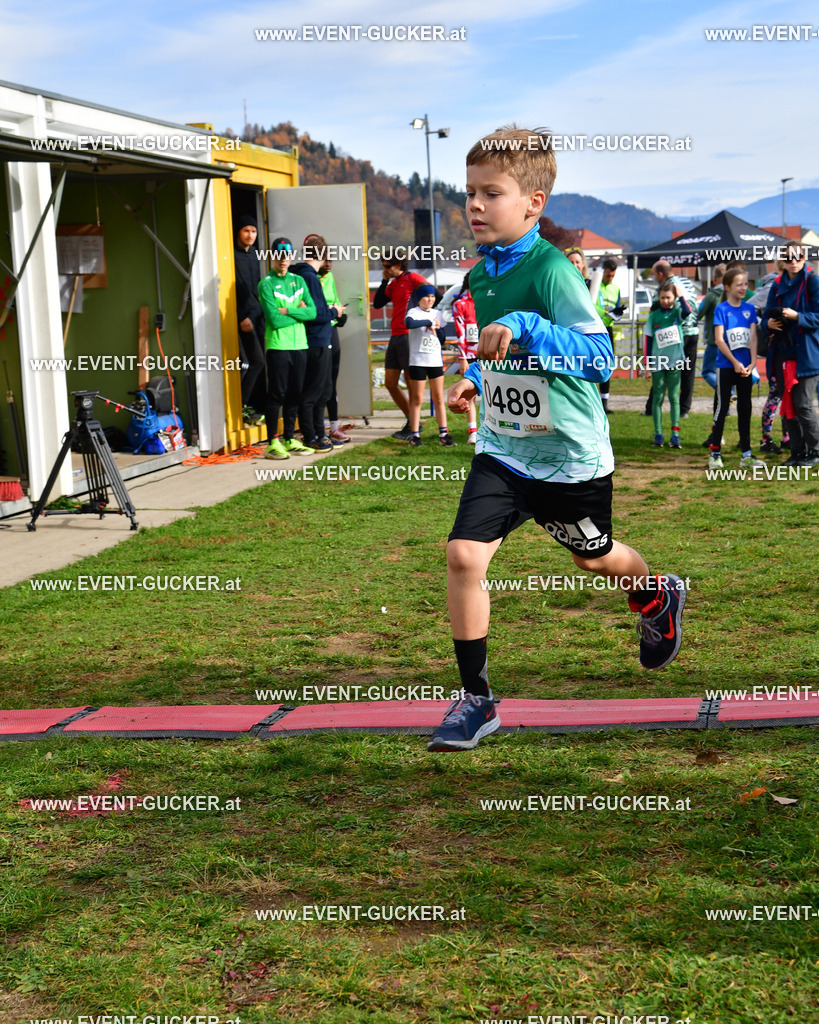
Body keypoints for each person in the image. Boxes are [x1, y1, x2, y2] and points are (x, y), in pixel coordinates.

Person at [428, 124, 686, 753]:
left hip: (568, 459)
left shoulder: (551, 272)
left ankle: (657, 596)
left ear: (532, 204)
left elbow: (600, 356)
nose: (476, 206)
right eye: (470, 193)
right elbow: (504, 354)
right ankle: (477, 702)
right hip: (506, 449)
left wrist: (526, 324)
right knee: (463, 554)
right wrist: (474, 381)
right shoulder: (482, 274)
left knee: (593, 559)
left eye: (492, 193)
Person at [257, 237, 316, 460]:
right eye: (279, 255)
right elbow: (274, 319)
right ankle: (273, 441)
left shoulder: (299, 281)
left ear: (292, 257)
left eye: (287, 255)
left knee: (295, 393)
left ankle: (290, 439)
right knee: (277, 394)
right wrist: (296, 312)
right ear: (272, 256)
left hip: (300, 344)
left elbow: (312, 313)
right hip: (278, 346)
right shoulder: (266, 283)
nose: (283, 260)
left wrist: (286, 310)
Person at [761, 246, 819, 467]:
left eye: (799, 257)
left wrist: (798, 317)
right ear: (782, 261)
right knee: (788, 406)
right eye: (788, 258)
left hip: (807, 354)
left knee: (803, 404)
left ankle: (815, 452)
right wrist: (766, 323)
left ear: (804, 258)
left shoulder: (813, 281)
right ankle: (797, 452)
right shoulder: (777, 285)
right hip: (783, 354)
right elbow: (765, 316)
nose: (794, 261)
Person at [291, 235, 347, 453]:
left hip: (315, 338)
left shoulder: (302, 275)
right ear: (322, 256)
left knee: (321, 390)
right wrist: (336, 311)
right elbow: (317, 313)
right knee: (314, 392)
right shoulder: (310, 278)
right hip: (317, 338)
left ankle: (319, 433)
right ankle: (312, 435)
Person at [708, 267, 764, 471]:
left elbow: (753, 337)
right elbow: (719, 339)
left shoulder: (749, 308)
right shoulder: (721, 309)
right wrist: (734, 362)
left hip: (746, 368)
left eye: (745, 284)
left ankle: (746, 454)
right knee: (722, 408)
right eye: (739, 284)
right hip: (726, 366)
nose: (743, 288)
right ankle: (715, 453)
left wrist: (752, 362)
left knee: (745, 409)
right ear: (727, 287)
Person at [372, 257, 428, 439]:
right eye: (383, 267)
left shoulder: (413, 278)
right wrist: (384, 280)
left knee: (411, 382)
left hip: (408, 334)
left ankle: (413, 427)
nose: (385, 269)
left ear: (399, 265)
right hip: (395, 335)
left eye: (388, 266)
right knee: (390, 382)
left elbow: (433, 293)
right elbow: (379, 303)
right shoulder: (393, 283)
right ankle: (413, 420)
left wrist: (422, 316)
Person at [645, 261, 699, 418]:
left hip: (675, 332)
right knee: (688, 372)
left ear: (660, 274)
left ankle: (652, 407)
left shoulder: (665, 287)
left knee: (663, 367)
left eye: (655, 275)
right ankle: (684, 410)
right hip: (693, 330)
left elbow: (655, 309)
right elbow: (694, 305)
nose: (655, 278)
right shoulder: (688, 282)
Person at [405, 284, 455, 447]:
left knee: (439, 397)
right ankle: (415, 435)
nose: (430, 299)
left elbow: (441, 339)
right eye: (426, 297)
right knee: (417, 398)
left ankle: (444, 433)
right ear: (419, 298)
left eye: (433, 297)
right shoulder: (414, 312)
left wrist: (438, 328)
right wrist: (428, 322)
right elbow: (409, 323)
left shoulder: (437, 314)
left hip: (435, 361)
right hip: (418, 361)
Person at [644, 280, 691, 448]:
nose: (665, 301)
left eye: (669, 297)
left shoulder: (677, 312)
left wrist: (681, 295)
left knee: (673, 398)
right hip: (658, 363)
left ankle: (675, 434)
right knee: (658, 398)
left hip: (675, 361)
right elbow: (648, 341)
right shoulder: (653, 316)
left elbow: (687, 311)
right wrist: (647, 364)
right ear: (658, 297)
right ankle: (658, 434)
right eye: (662, 297)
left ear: (673, 297)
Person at [233, 216, 267, 422]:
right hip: (244, 319)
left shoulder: (255, 254)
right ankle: (241, 408)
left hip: (259, 315)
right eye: (246, 230)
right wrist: (241, 316)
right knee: (256, 361)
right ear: (238, 232)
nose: (250, 235)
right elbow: (232, 290)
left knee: (263, 363)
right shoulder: (231, 256)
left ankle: (256, 407)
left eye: (253, 231)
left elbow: (258, 287)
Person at [318, 256, 350, 444]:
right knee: (318, 382)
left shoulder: (329, 277)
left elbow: (335, 301)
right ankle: (316, 429)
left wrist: (340, 315)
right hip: (317, 333)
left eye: (331, 260)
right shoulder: (310, 278)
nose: (329, 264)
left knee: (332, 380)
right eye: (325, 260)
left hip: (331, 330)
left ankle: (334, 428)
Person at [452, 272, 480, 443]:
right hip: (469, 355)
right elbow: (460, 334)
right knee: (470, 394)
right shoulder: (460, 304)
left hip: (488, 354)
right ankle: (473, 431)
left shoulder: (487, 300)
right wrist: (462, 358)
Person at [593, 256, 623, 414]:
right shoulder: (595, 285)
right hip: (594, 328)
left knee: (607, 364)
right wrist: (603, 312)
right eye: (608, 276)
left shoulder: (616, 288)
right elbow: (591, 305)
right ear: (602, 272)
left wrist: (618, 313)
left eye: (613, 276)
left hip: (608, 328)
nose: (610, 278)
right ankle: (592, 400)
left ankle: (604, 402)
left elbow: (617, 307)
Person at [697, 264, 725, 391]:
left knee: (708, 372)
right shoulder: (734, 294)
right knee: (726, 372)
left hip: (714, 340)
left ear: (714, 278)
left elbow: (698, 313)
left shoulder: (712, 295)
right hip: (730, 341)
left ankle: (726, 392)